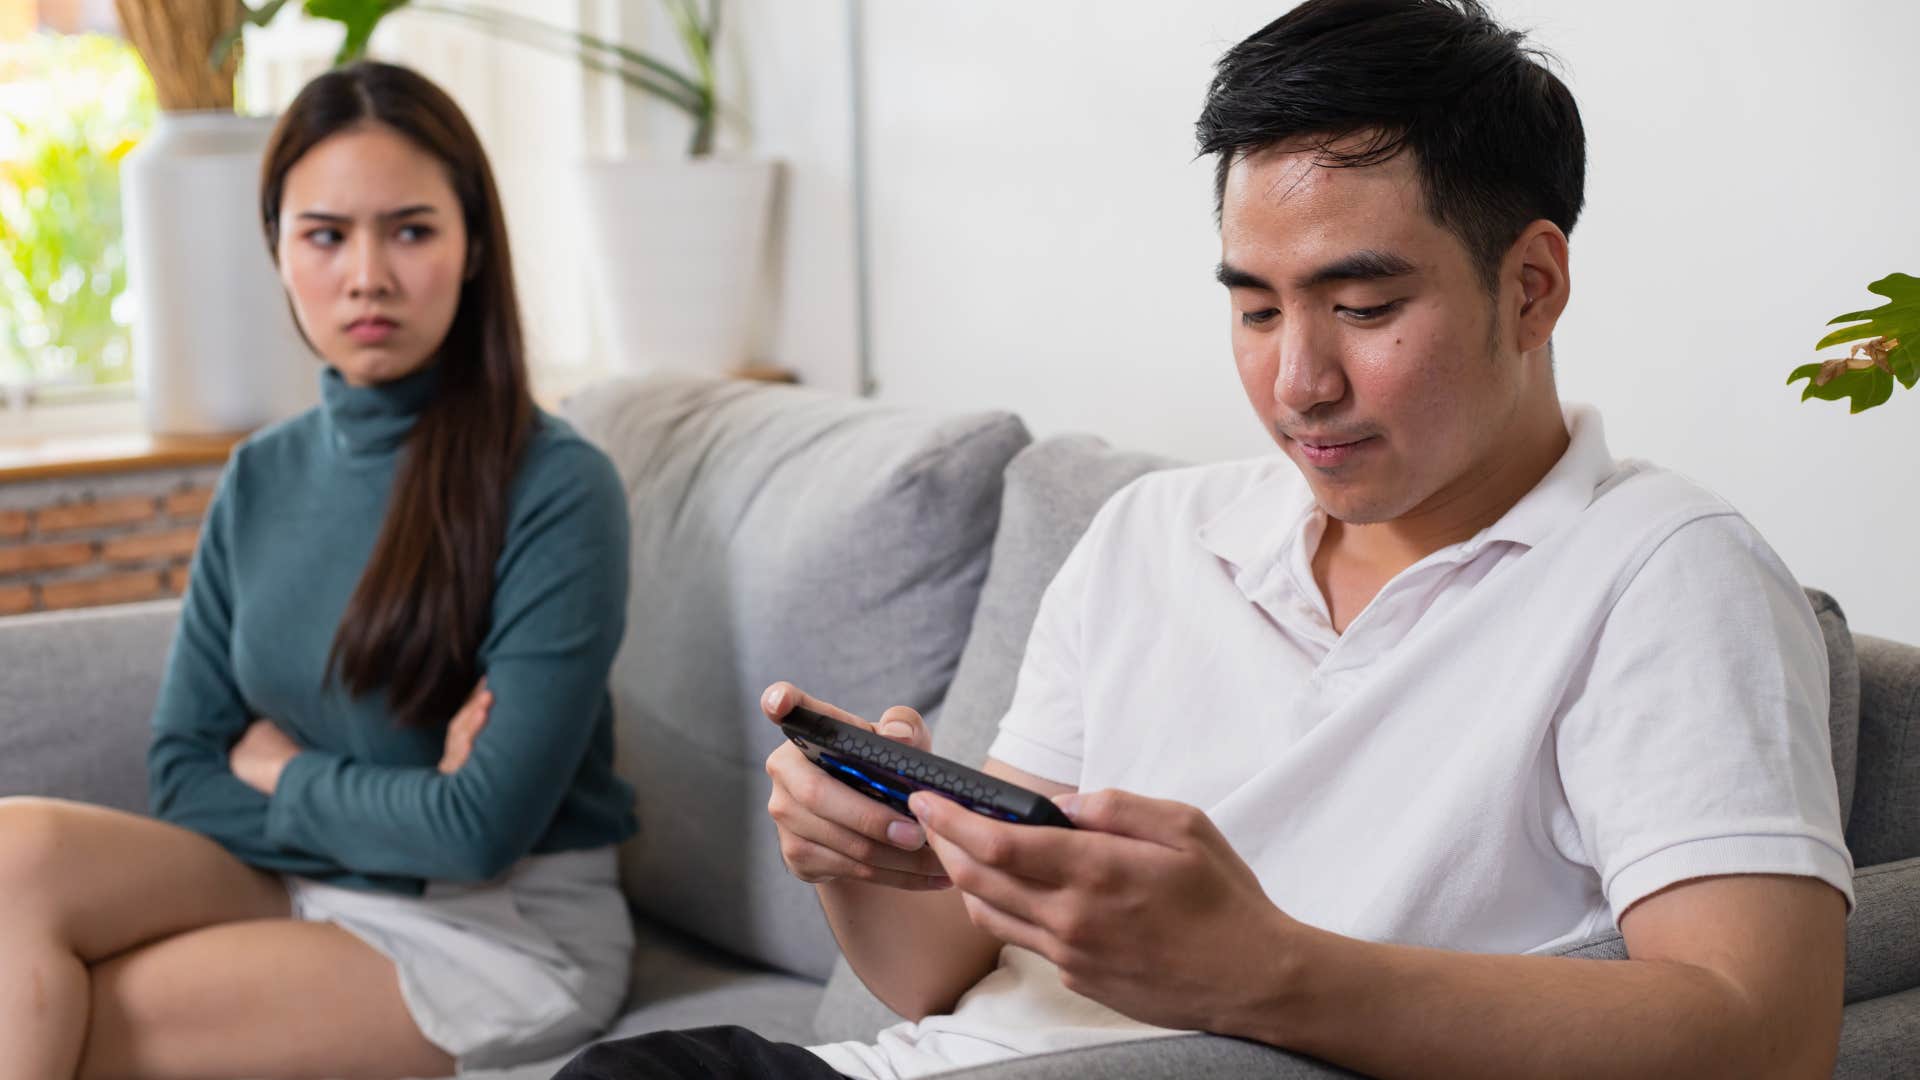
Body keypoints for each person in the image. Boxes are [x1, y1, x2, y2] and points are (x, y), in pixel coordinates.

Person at [558, 1, 1853, 1077]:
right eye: (1254, 308)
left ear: (1532, 283)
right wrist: (871, 864)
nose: (1299, 380)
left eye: (1361, 304)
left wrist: (1268, 972)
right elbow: (932, 978)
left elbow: (1765, 1031)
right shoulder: (1154, 533)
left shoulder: (1665, 571)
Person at [0, 61, 637, 1079]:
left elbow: (477, 834)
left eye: (412, 230)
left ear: (473, 248)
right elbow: (182, 774)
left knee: (80, 1018)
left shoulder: (558, 487)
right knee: (11, 851)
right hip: (299, 873)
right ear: (278, 248)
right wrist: (402, 803)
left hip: (491, 928)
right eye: (326, 235)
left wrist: (282, 769)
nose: (367, 275)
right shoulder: (261, 474)